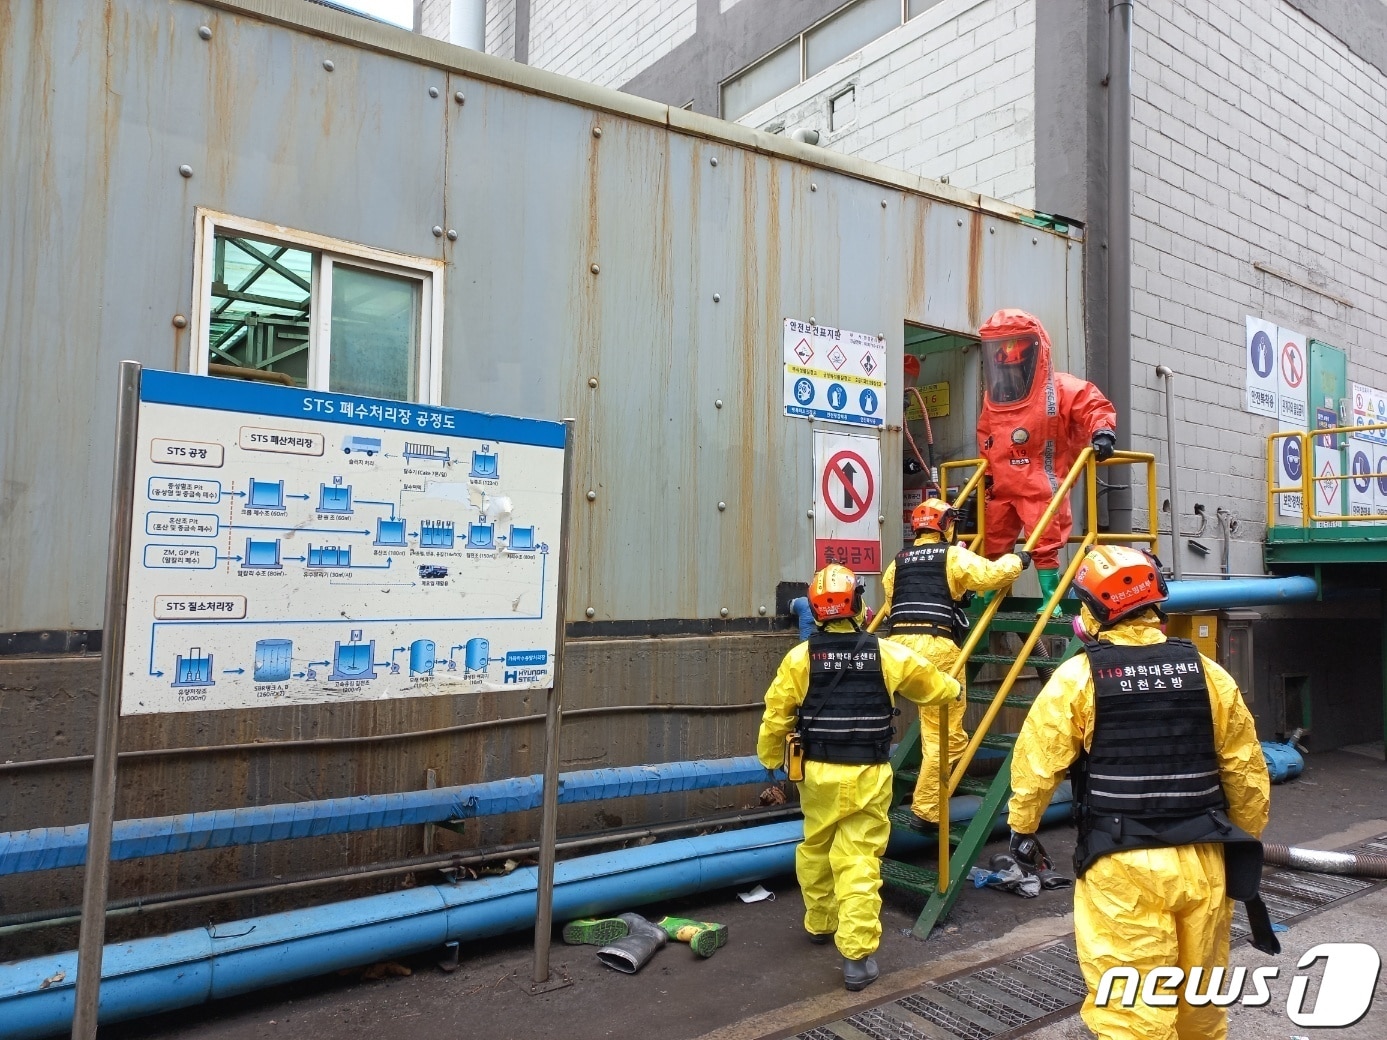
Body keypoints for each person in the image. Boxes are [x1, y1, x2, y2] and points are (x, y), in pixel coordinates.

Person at [1008, 545, 1277, 1040]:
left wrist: (1023, 829)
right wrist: (1243, 838)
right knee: (1200, 1001)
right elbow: (1246, 772)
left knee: (1132, 1011)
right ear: (1156, 603)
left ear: (1094, 610)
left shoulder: (1078, 678)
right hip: (1203, 860)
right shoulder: (1209, 674)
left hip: (1121, 866)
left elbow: (1036, 765)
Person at [757, 564, 962, 992]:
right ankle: (856, 957)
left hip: (816, 776)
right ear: (858, 603)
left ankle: (819, 921)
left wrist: (771, 759)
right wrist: (954, 690)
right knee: (859, 861)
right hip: (867, 774)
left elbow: (776, 716)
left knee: (815, 845)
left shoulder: (799, 659)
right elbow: (932, 685)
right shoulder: (887, 654)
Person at [877, 498, 1030, 827]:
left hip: (895, 651)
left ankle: (878, 804)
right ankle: (927, 809)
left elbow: (892, 604)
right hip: (936, 649)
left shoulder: (897, 562)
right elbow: (990, 576)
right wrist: (1018, 561)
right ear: (945, 525)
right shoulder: (953, 555)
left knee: (915, 724)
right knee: (948, 737)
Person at [976, 308, 1117, 608]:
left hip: (1040, 485)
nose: (1010, 372)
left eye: (1016, 364)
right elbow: (986, 436)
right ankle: (989, 595)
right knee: (993, 540)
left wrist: (1103, 431)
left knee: (1044, 538)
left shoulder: (1060, 388)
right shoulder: (994, 399)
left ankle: (1050, 597)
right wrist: (986, 475)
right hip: (1001, 488)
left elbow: (1092, 404)